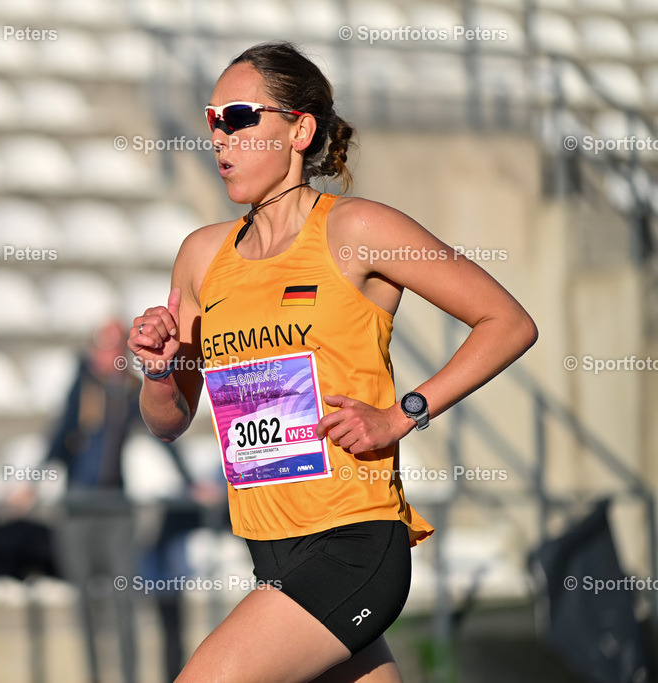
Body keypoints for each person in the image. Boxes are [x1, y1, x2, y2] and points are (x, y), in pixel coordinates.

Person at [128, 41, 538, 682]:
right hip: (270, 551)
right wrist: (155, 371)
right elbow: (169, 421)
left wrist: (404, 415)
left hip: (352, 542)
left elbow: (508, 323)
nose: (219, 136)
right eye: (211, 120)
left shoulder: (356, 229)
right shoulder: (202, 257)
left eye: (239, 117)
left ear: (300, 129)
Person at [36, 319, 196, 683]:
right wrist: (32, 482)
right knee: (87, 606)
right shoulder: (81, 388)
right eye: (104, 346)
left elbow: (164, 431)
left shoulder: (127, 391)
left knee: (126, 600)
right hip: (77, 506)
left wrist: (190, 482)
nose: (111, 355)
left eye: (115, 347)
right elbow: (58, 439)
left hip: (116, 507)